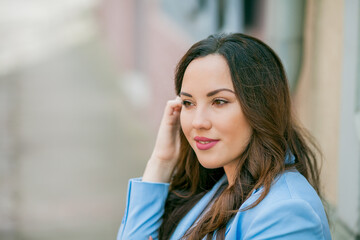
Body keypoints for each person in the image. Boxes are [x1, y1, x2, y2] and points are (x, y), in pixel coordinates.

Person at [116, 33, 331, 240]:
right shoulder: (216, 186)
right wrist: (160, 163)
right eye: (189, 103)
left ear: (261, 108)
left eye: (219, 101)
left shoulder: (286, 214)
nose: (199, 122)